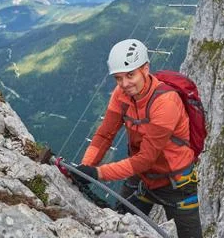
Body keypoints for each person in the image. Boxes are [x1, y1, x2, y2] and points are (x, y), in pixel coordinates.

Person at [74, 39, 202, 238]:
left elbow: (145, 159)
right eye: (118, 78)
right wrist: (84, 168)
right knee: (117, 228)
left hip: (177, 184)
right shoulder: (121, 95)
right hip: (142, 179)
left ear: (145, 69)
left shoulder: (166, 103)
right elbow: (105, 134)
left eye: (130, 75)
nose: (124, 84)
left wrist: (96, 173)